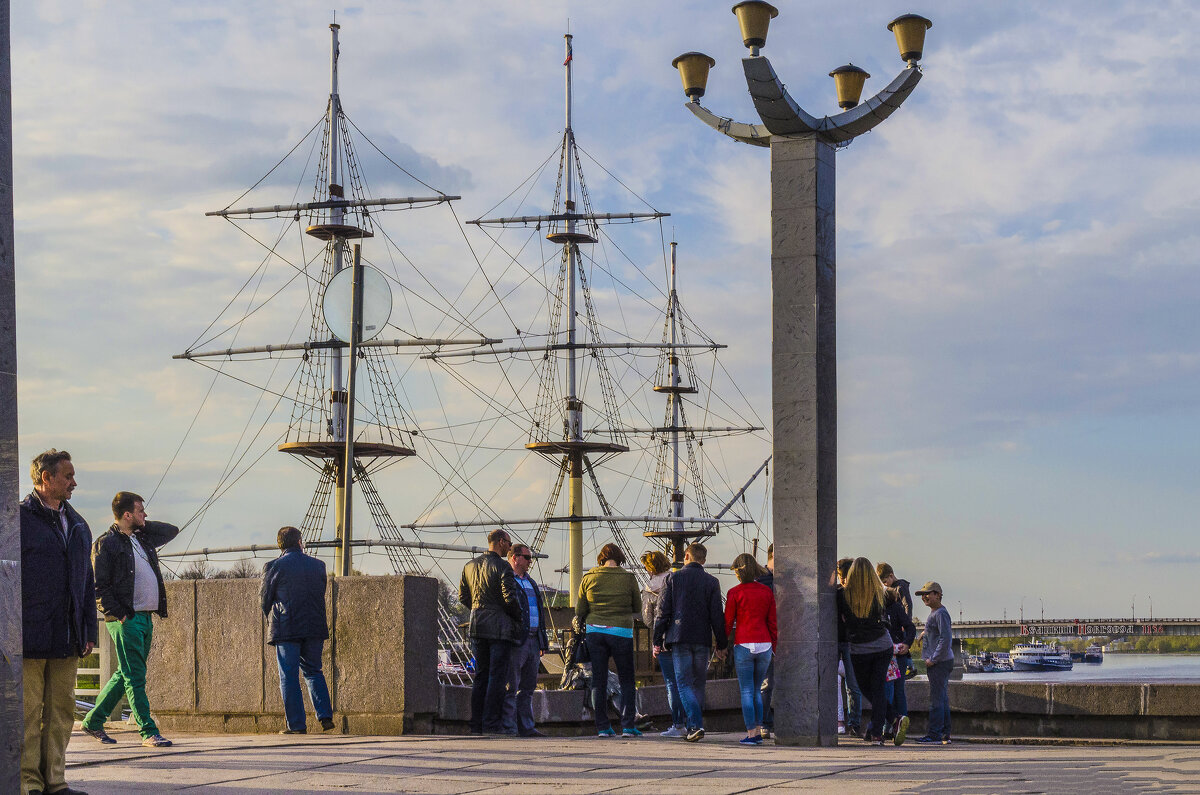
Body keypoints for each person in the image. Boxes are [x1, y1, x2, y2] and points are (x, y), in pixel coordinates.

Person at [20, 449, 96, 795]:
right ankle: (28, 783)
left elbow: (86, 581)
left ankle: (55, 781)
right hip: (28, 635)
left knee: (62, 712)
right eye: (68, 476)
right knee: (27, 713)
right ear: (46, 478)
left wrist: (89, 631)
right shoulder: (17, 519)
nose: (74, 482)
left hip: (68, 635)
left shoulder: (78, 524)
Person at [81, 492, 180, 748]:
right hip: (127, 619)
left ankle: (93, 720)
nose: (144, 515)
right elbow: (98, 586)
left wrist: (142, 524)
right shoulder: (107, 543)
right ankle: (148, 731)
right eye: (139, 511)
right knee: (135, 677)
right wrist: (120, 615)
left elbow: (172, 530)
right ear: (126, 514)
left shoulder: (141, 539)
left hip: (145, 618)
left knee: (125, 673)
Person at [260, 526, 334, 734]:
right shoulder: (318, 566)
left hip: (286, 628)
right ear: (300, 541)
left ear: (280, 544)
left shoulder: (274, 566)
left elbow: (264, 599)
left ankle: (297, 725)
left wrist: (271, 616)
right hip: (314, 627)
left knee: (289, 676)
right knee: (313, 670)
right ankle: (325, 715)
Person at [653, 542, 727, 742]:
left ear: (686, 556)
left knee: (683, 682)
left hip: (679, 638)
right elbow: (717, 616)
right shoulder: (712, 582)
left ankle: (694, 725)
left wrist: (656, 640)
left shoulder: (673, 579)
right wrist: (721, 644)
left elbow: (662, 613)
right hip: (702, 639)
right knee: (698, 683)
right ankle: (696, 724)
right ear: (703, 560)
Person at [459, 528, 523, 734]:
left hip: (477, 625)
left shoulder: (469, 566)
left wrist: (479, 609)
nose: (510, 547)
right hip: (500, 629)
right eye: (509, 543)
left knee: (481, 676)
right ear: (501, 542)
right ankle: (491, 724)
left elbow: (463, 597)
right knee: (497, 678)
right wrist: (517, 617)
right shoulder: (503, 566)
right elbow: (510, 598)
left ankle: (476, 724)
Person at [577, 543, 642, 737]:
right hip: (621, 631)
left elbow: (580, 610)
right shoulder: (629, 578)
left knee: (599, 679)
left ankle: (603, 727)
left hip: (595, 631)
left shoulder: (588, 577)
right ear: (620, 558)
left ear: (601, 558)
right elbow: (637, 606)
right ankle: (629, 726)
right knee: (627, 680)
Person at [836, 557, 893, 745]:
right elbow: (891, 603)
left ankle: (886, 724)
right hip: (882, 645)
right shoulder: (880, 594)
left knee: (865, 688)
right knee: (877, 688)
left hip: (859, 649)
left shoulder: (842, 595)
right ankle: (879, 732)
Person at [724, 553, 777, 745]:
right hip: (764, 644)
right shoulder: (766, 591)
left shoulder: (734, 593)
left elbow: (728, 623)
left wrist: (721, 646)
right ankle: (760, 727)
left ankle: (752, 732)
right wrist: (774, 647)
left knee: (746, 691)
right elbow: (772, 622)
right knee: (756, 690)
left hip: (744, 644)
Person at [502, 542, 549, 737]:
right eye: (527, 558)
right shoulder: (507, 580)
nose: (531, 561)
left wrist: (542, 641)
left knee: (528, 687)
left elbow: (539, 612)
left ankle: (527, 726)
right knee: (511, 686)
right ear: (515, 558)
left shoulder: (531, 582)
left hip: (533, 640)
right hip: (517, 641)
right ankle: (510, 727)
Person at [640, 549, 685, 737]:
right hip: (684, 636)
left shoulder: (650, 588)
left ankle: (678, 724)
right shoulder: (680, 580)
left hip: (664, 641)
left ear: (650, 568)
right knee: (686, 681)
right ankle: (693, 722)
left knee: (671, 683)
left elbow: (648, 620)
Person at [915, 581, 954, 745]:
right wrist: (925, 632)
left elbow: (946, 639)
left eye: (928, 593)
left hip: (939, 662)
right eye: (922, 595)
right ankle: (945, 733)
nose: (924, 597)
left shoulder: (940, 613)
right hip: (942, 661)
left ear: (937, 594)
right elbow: (939, 632)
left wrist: (933, 659)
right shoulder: (936, 613)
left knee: (936, 699)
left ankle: (935, 734)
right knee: (942, 698)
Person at [882, 585, 915, 746]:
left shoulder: (886, 610)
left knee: (888, 690)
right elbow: (910, 627)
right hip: (899, 653)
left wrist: (906, 644)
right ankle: (900, 721)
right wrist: (907, 644)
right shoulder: (898, 608)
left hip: (891, 654)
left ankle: (887, 727)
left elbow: (910, 627)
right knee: (898, 690)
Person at [835, 557, 863, 737]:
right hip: (845, 641)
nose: (842, 579)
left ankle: (853, 723)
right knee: (853, 686)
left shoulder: (841, 594)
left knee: (853, 686)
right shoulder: (840, 593)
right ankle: (853, 724)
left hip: (844, 641)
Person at [757, 543, 775, 737]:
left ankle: (767, 721)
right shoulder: (761, 579)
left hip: (785, 637)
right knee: (766, 683)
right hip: (765, 639)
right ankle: (764, 723)